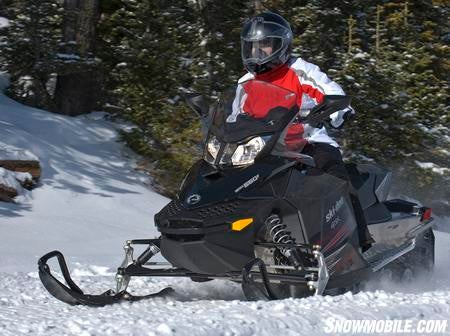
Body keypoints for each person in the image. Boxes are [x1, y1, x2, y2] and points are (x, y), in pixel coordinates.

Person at [235, 11, 374, 251]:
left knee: (334, 178)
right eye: (252, 46)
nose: (257, 52)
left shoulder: (299, 70)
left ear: (281, 44)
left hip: (308, 141)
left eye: (265, 45)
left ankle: (360, 240)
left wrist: (337, 111)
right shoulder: (245, 83)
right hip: (263, 148)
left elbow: (331, 91)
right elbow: (233, 116)